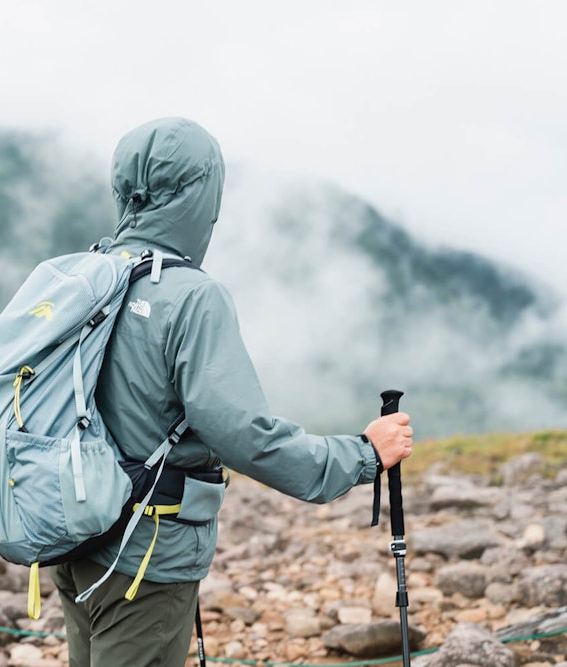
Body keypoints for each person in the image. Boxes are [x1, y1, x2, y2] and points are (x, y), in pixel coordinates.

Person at [51, 117, 414, 667]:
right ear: (202, 197)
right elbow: (245, 436)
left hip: (76, 538)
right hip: (145, 559)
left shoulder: (89, 277)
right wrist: (364, 455)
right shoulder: (191, 297)